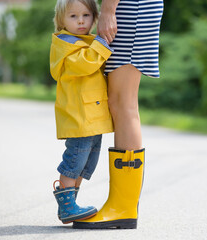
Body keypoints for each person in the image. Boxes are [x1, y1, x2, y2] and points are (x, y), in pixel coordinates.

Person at [73, 0, 164, 229]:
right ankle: (121, 205)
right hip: (132, 8)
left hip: (131, 8)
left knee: (123, 103)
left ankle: (122, 207)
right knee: (119, 102)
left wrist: (108, 10)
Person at [50, 0, 114, 224]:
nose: (80, 21)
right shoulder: (66, 43)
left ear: (94, 17)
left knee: (88, 159)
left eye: (86, 15)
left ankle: (70, 204)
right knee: (76, 158)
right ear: (61, 21)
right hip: (79, 115)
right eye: (73, 16)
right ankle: (67, 205)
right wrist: (102, 43)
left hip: (91, 115)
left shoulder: (86, 41)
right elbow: (85, 64)